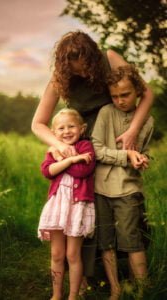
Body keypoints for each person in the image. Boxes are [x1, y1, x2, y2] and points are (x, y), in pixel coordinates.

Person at [32, 30, 154, 293]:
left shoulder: (109, 58)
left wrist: (132, 130)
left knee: (125, 205)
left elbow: (147, 95)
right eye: (74, 67)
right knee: (84, 214)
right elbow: (38, 124)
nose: (82, 72)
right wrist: (61, 145)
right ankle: (86, 279)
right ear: (65, 64)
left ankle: (132, 275)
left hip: (114, 143)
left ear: (91, 55)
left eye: (85, 64)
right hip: (83, 153)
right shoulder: (61, 78)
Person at [91, 65, 154, 299]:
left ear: (137, 91)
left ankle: (143, 290)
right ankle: (116, 289)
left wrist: (142, 159)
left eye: (125, 94)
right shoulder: (106, 112)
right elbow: (96, 150)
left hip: (128, 189)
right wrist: (125, 156)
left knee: (132, 241)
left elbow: (144, 151)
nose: (120, 101)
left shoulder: (147, 121)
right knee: (106, 242)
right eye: (115, 96)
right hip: (101, 188)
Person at [37, 108, 96, 300]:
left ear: (82, 128)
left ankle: (72, 296)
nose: (66, 131)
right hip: (58, 206)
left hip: (77, 207)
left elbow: (81, 171)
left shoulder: (86, 146)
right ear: (54, 133)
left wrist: (64, 160)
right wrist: (71, 158)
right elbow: (47, 171)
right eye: (61, 128)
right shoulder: (55, 149)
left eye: (71, 126)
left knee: (72, 255)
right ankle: (56, 295)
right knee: (56, 254)